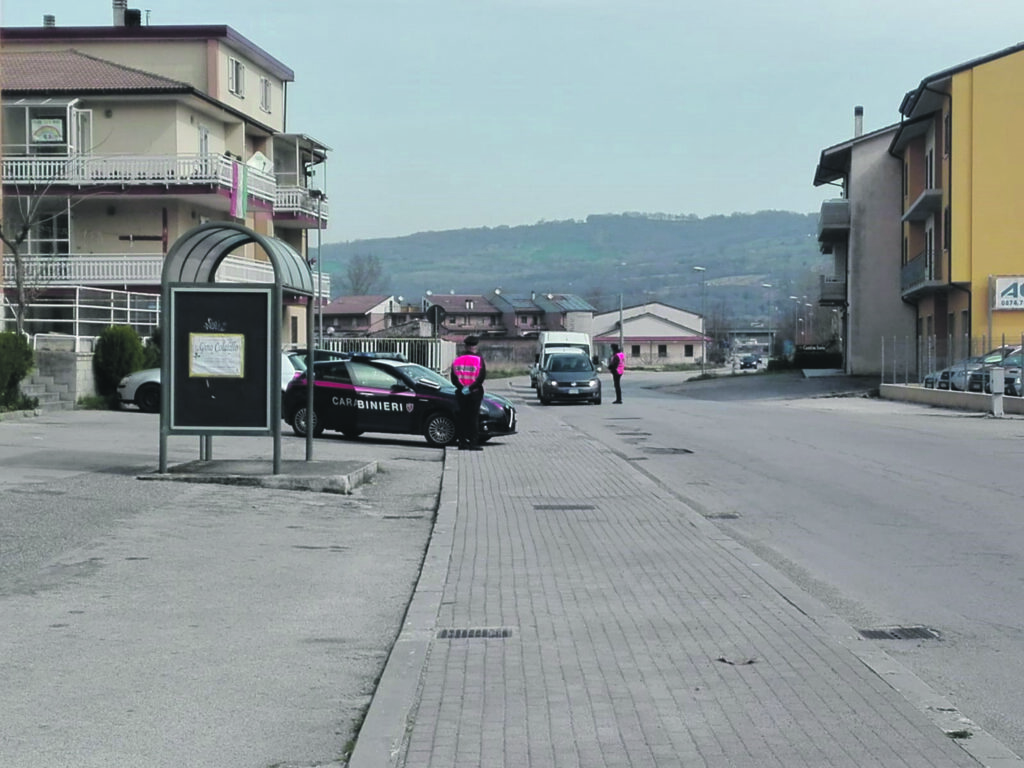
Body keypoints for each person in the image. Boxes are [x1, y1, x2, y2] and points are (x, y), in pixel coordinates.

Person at [450, 335, 487, 450]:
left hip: (461, 393)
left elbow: (453, 378)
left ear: (465, 346)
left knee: (462, 417)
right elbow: (481, 377)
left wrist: (462, 387)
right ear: (475, 346)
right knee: (473, 418)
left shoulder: (457, 359)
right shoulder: (478, 359)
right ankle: (473, 443)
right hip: (474, 393)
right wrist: (471, 388)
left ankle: (462, 442)